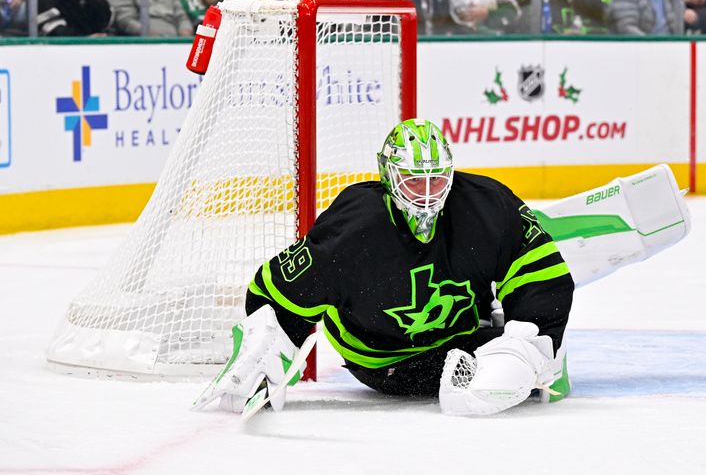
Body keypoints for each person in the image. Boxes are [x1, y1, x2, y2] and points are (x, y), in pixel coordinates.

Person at [193, 118, 574, 417]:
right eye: (412, 182)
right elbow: (276, 287)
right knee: (505, 374)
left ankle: (512, 333)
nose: (426, 195)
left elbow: (541, 268)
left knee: (523, 357)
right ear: (389, 175)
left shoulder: (486, 205)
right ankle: (508, 336)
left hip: (457, 336)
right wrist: (267, 345)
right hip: (385, 362)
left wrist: (530, 337)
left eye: (436, 180)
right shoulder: (355, 228)